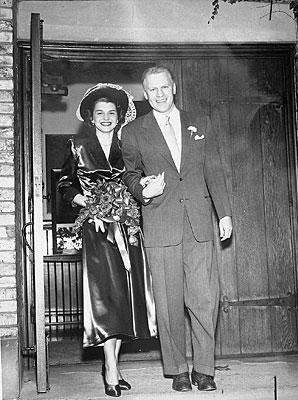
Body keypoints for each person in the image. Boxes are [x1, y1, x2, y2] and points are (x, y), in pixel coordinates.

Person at [121, 66, 232, 392]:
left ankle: (204, 369)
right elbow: (129, 175)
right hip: (160, 223)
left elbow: (214, 168)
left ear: (174, 88)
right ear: (145, 93)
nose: (159, 94)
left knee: (204, 300)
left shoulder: (200, 123)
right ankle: (178, 370)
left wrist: (223, 213)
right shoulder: (134, 132)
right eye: (152, 89)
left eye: (164, 87)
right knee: (169, 303)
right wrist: (143, 188)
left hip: (198, 224)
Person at [57, 83, 156, 398]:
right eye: (99, 113)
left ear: (119, 116)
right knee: (106, 301)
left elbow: (137, 177)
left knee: (123, 301)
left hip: (127, 230)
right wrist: (85, 202)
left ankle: (112, 365)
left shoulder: (129, 142)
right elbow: (64, 184)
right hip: (98, 231)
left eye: (111, 113)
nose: (105, 118)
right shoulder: (77, 145)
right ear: (90, 116)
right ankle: (110, 368)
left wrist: (145, 185)